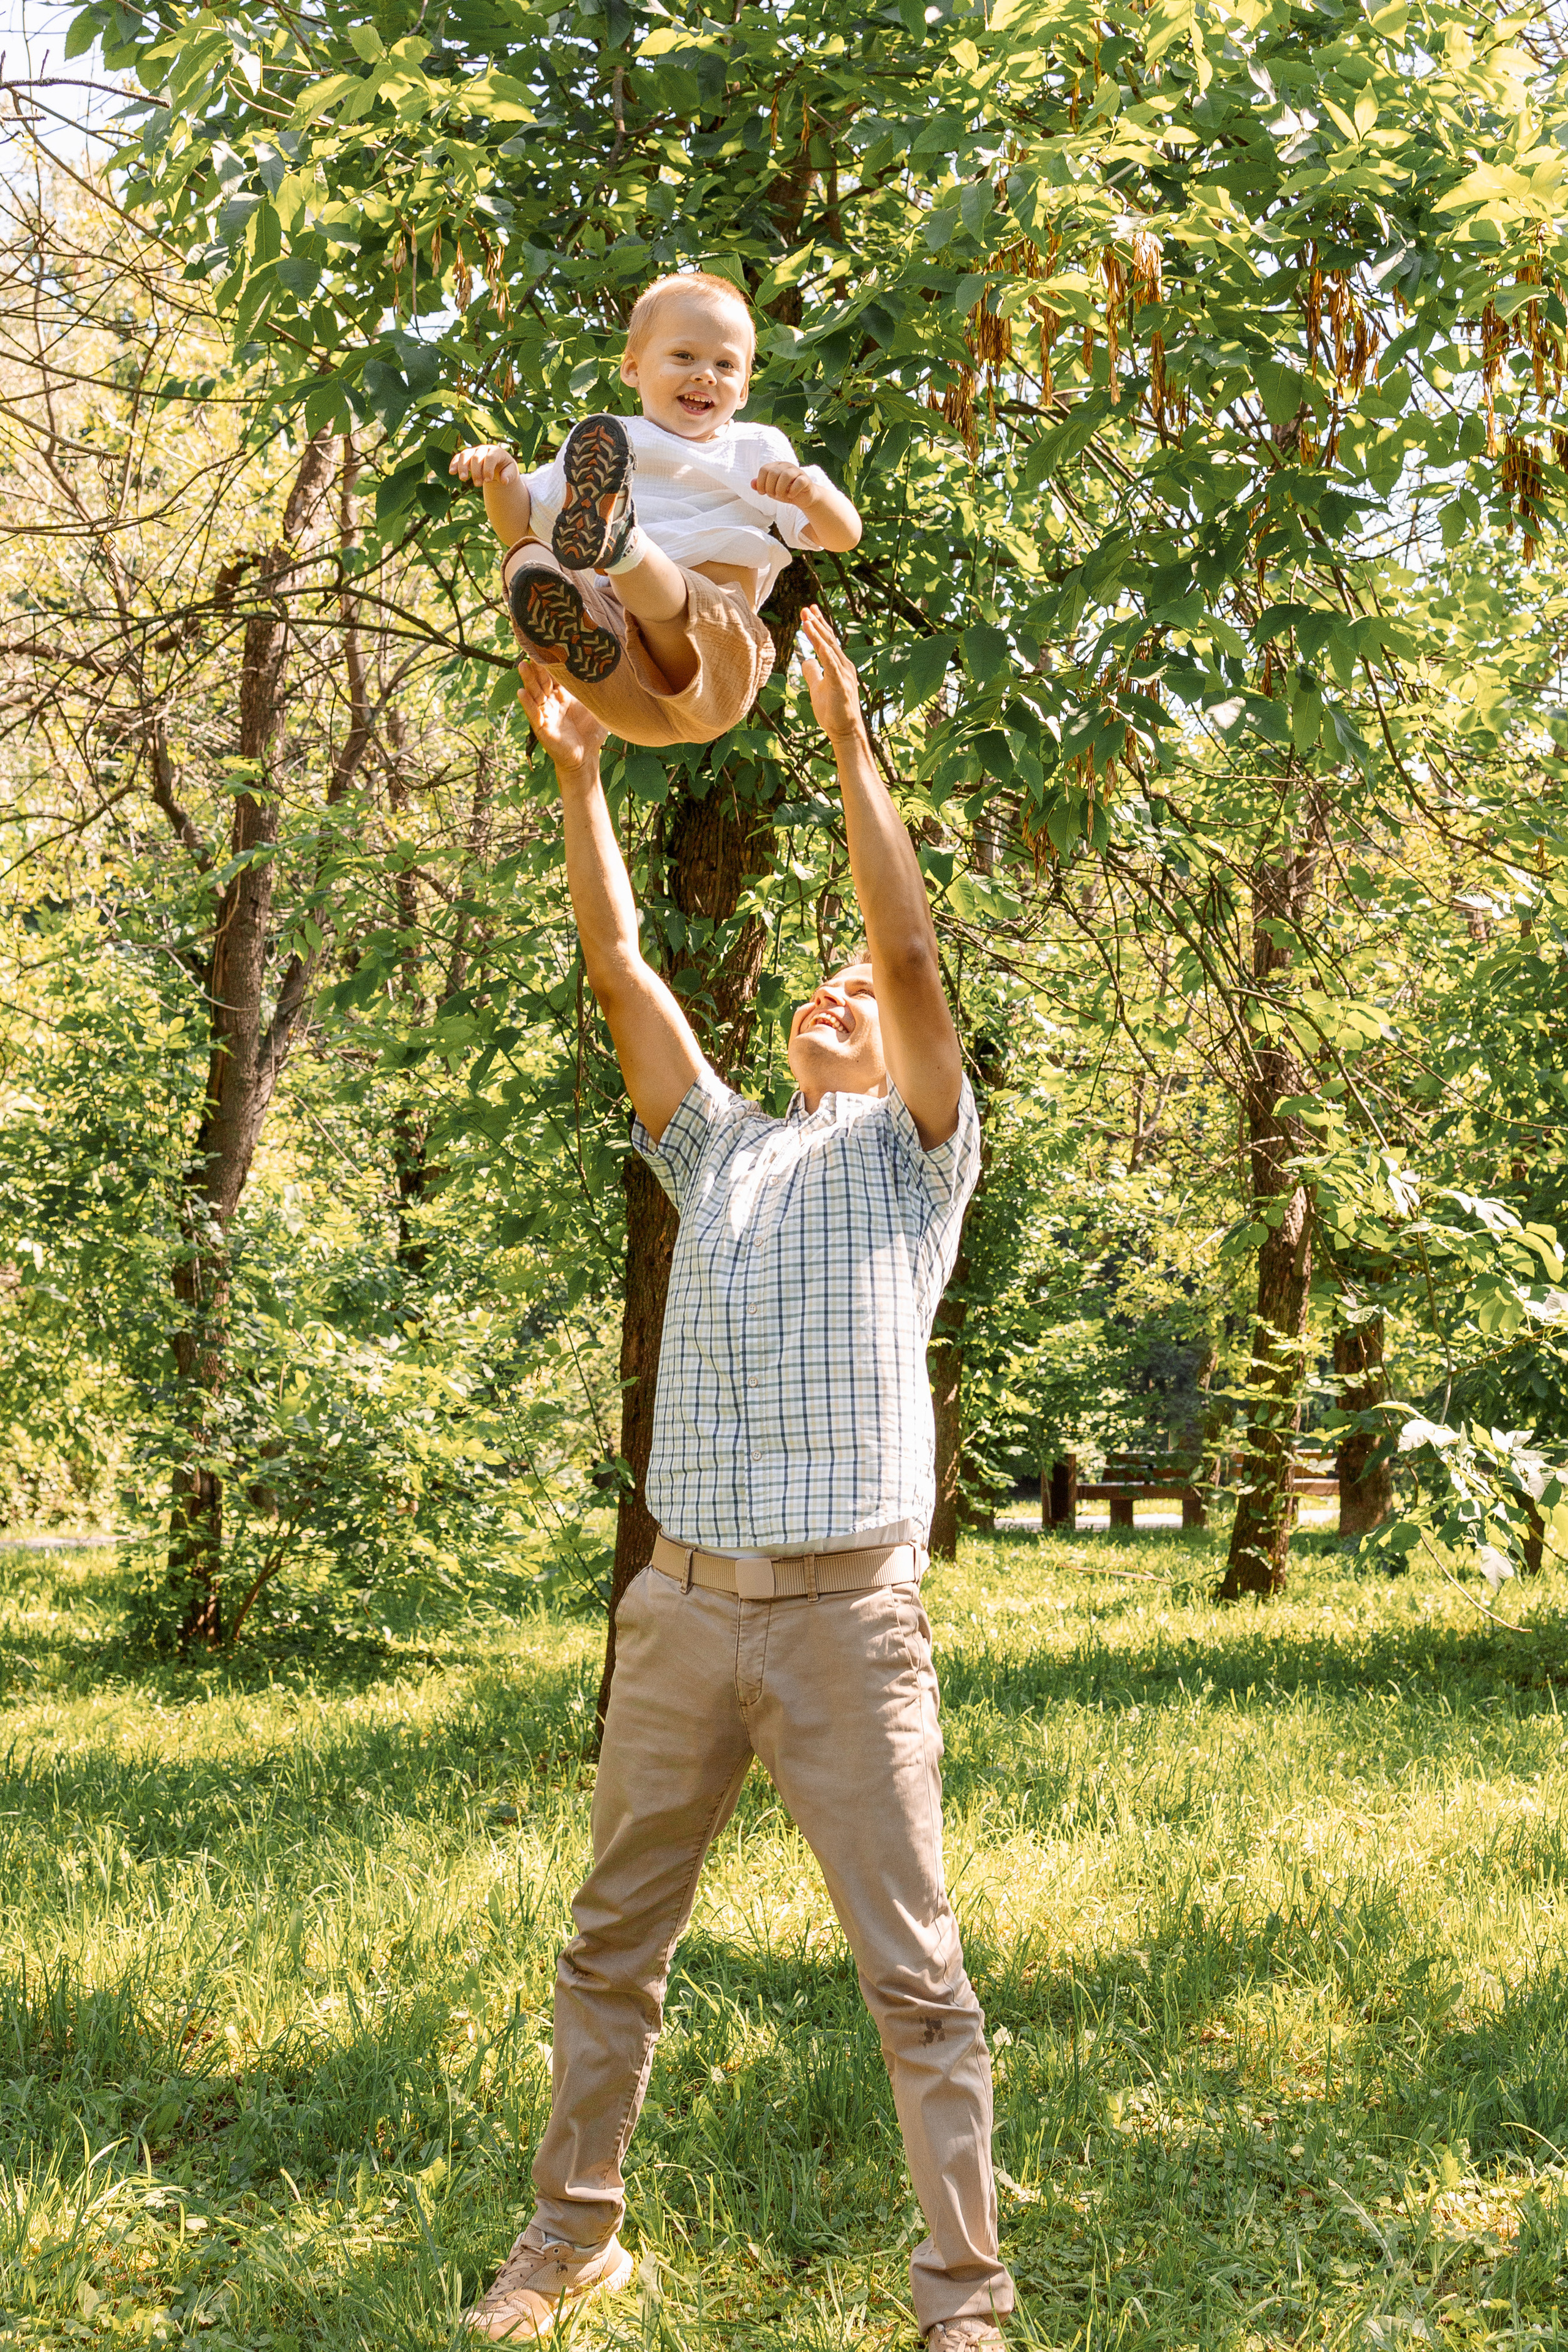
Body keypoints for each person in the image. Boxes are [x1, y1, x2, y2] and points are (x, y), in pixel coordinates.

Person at [464, 606, 1012, 2350]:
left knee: (915, 1978)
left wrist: (853, 745)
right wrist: (579, 781)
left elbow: (914, 965)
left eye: (864, 992)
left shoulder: (920, 1158)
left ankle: (964, 2297)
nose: (845, 994)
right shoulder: (720, 1151)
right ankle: (570, 2240)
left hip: (851, 1617)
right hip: (683, 1609)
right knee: (609, 1939)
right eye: (821, 987)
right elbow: (622, 969)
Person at [449, 270, 861, 749]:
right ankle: (607, 572)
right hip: (621, 683)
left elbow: (843, 536)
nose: (706, 374)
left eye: (726, 365)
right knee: (525, 559)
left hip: (715, 660)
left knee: (662, 589)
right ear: (632, 368)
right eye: (684, 355)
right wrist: (502, 479)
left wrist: (811, 494)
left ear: (744, 391)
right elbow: (517, 525)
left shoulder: (757, 446)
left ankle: (624, 546)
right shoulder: (604, 441)